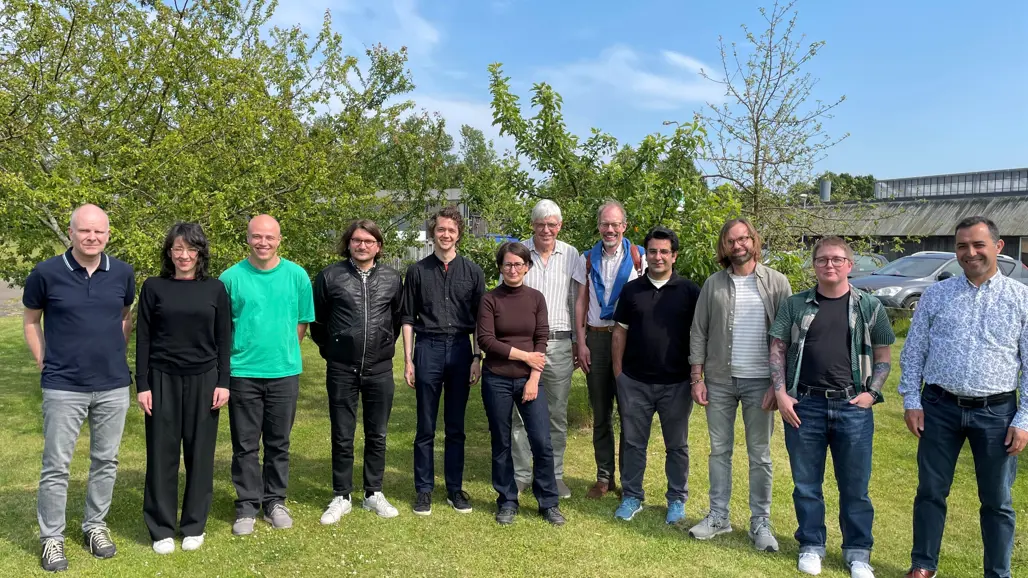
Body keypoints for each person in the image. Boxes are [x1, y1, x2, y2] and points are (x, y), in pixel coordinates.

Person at [899, 217, 1028, 578]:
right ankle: (923, 564)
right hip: (939, 407)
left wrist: (1024, 420)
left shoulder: (1021, 299)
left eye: (978, 244)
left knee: (998, 502)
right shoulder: (937, 294)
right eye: (962, 246)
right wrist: (912, 399)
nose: (969, 253)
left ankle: (998, 573)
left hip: (997, 413)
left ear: (998, 248)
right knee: (930, 492)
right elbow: (914, 351)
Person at [769, 236, 894, 578]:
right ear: (814, 265)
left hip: (853, 405)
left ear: (850, 265)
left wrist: (872, 393)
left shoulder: (870, 306)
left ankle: (858, 553)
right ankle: (811, 545)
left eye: (838, 259)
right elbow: (777, 348)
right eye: (823, 259)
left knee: (855, 486)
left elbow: (883, 356)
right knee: (806, 484)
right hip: (804, 405)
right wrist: (781, 393)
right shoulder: (796, 305)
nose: (830, 265)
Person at [22, 204, 135, 572]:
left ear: (108, 234)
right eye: (84, 231)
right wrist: (44, 362)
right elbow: (30, 321)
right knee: (56, 465)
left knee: (106, 460)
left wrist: (116, 351)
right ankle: (52, 538)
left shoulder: (122, 272)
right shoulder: (46, 273)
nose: (92, 237)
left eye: (99, 232)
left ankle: (94, 527)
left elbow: (124, 317)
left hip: (113, 385)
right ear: (71, 232)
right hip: (64, 385)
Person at [688, 218, 791, 551]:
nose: (738, 246)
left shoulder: (777, 283)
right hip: (718, 381)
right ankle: (718, 516)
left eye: (743, 239)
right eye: (731, 241)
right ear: (724, 246)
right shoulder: (713, 285)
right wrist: (697, 377)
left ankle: (760, 522)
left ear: (754, 241)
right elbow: (699, 331)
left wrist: (779, 387)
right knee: (720, 451)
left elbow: (789, 339)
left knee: (760, 454)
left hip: (760, 382)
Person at [135, 223, 231, 554]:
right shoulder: (153, 287)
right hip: (162, 379)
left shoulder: (216, 289)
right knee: (161, 454)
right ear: (169, 252)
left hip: (205, 380)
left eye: (191, 249)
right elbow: (143, 338)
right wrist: (143, 384)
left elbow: (223, 339)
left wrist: (224, 382)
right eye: (178, 249)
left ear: (201, 253)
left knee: (199, 454)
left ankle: (193, 525)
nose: (184, 255)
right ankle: (160, 527)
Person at [221, 214, 315, 535]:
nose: (263, 242)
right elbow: (224, 327)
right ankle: (247, 504)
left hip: (284, 372)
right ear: (247, 238)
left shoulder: (297, 276)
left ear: (279, 240)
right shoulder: (230, 278)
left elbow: (302, 322)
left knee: (279, 443)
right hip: (242, 372)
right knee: (245, 444)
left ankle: (274, 500)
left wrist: (283, 352)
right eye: (256, 236)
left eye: (269, 237)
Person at [312, 220, 404, 523]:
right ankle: (341, 495)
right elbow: (318, 321)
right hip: (341, 369)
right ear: (348, 243)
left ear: (378, 245)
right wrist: (334, 350)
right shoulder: (330, 276)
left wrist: (383, 346)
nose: (361, 245)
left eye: (368, 241)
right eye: (356, 240)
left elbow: (395, 319)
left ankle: (373, 492)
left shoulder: (392, 278)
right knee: (342, 434)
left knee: (377, 433)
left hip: (379, 369)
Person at [610, 227, 701, 525]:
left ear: (674, 255)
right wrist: (619, 374)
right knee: (634, 443)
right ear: (645, 254)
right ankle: (632, 496)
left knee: (677, 446)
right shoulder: (631, 289)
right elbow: (619, 332)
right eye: (652, 251)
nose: (658, 256)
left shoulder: (690, 291)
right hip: (635, 381)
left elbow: (700, 336)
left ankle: (676, 499)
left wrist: (697, 375)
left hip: (676, 384)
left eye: (664, 251)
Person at [401, 206, 486, 516]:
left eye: (451, 230)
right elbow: (407, 318)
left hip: (462, 350)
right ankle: (423, 490)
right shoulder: (417, 271)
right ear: (432, 233)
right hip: (428, 348)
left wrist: (477, 356)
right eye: (440, 229)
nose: (445, 234)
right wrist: (408, 359)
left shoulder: (473, 272)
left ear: (458, 233)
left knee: (456, 426)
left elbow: (480, 320)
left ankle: (454, 488)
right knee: (425, 424)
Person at [477, 242, 566, 526]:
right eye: (507, 264)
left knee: (541, 441)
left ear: (527, 267)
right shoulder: (490, 299)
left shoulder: (536, 298)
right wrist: (524, 356)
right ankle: (507, 500)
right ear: (500, 267)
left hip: (530, 380)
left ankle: (548, 502)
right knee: (501, 442)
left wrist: (534, 378)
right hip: (497, 379)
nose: (513, 269)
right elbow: (486, 341)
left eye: (518, 264)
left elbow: (541, 337)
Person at [511, 200, 585, 499]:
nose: (546, 229)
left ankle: (553, 476)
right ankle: (521, 475)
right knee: (518, 413)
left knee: (556, 413)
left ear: (559, 226)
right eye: (540, 224)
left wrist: (579, 340)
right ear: (532, 225)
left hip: (558, 342)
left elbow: (578, 299)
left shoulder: (571, 255)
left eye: (551, 224)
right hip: (523, 343)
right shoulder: (518, 252)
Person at [575, 200, 646, 500]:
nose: (610, 229)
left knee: (629, 412)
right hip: (597, 339)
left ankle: (629, 481)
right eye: (605, 223)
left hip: (629, 340)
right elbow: (580, 301)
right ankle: (604, 477)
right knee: (601, 412)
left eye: (615, 224)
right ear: (599, 226)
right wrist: (581, 341)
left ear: (624, 227)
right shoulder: (587, 258)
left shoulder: (640, 256)